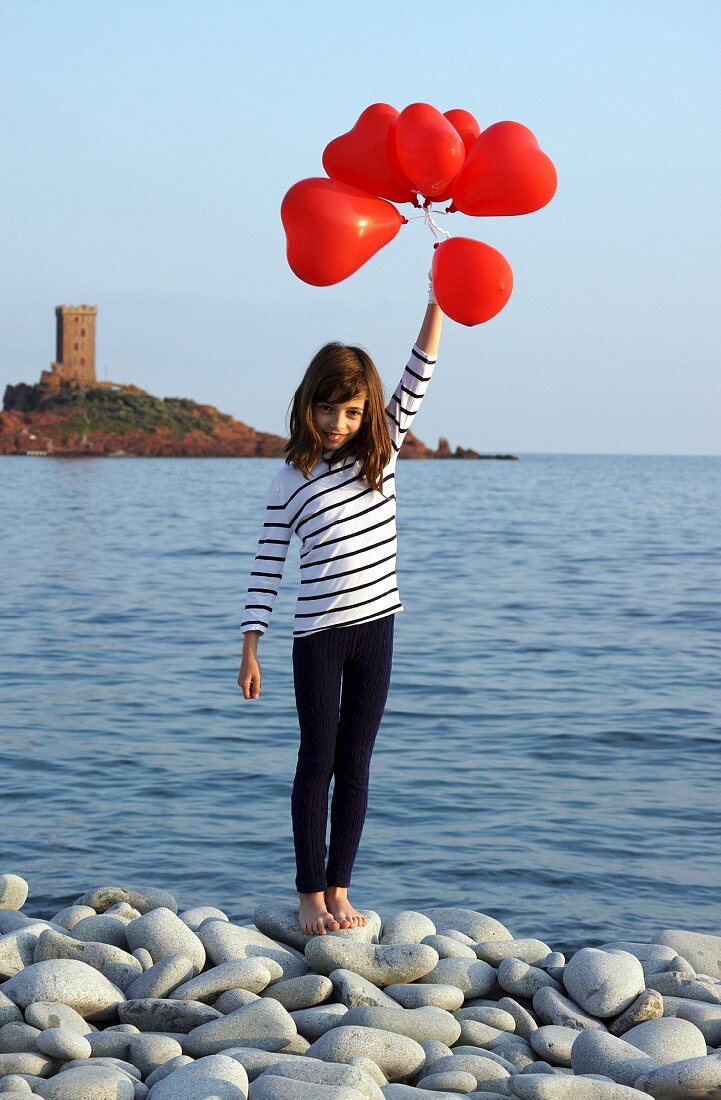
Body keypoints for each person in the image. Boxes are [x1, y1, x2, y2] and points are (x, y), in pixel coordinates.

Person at [238, 268, 443, 936]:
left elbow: (419, 370)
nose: (337, 422)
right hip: (319, 638)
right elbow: (268, 562)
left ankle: (339, 889)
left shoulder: (380, 459)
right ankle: (306, 895)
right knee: (315, 761)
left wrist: (437, 297)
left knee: (356, 765)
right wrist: (251, 644)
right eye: (327, 409)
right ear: (308, 404)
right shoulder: (289, 478)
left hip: (378, 630)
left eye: (351, 412)